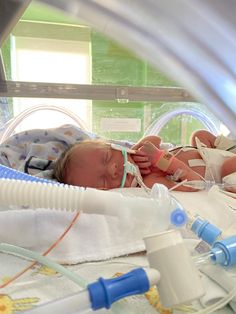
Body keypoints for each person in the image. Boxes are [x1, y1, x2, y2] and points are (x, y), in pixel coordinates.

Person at [52, 131, 236, 192]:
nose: (112, 169)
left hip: (211, 153)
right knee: (229, 169)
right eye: (103, 180)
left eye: (107, 157)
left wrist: (140, 148)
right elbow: (197, 185)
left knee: (200, 135)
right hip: (223, 173)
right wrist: (161, 160)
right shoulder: (149, 182)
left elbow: (155, 139)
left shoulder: (135, 154)